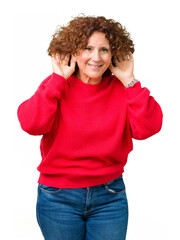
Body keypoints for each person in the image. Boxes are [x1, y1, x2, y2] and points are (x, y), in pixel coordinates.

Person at [17, 15, 163, 240]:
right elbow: (31, 124)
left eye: (104, 49)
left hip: (110, 197)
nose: (96, 57)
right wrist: (57, 79)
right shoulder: (55, 85)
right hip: (58, 198)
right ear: (73, 51)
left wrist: (130, 81)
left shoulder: (122, 89)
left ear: (113, 53)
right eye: (87, 48)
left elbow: (149, 128)